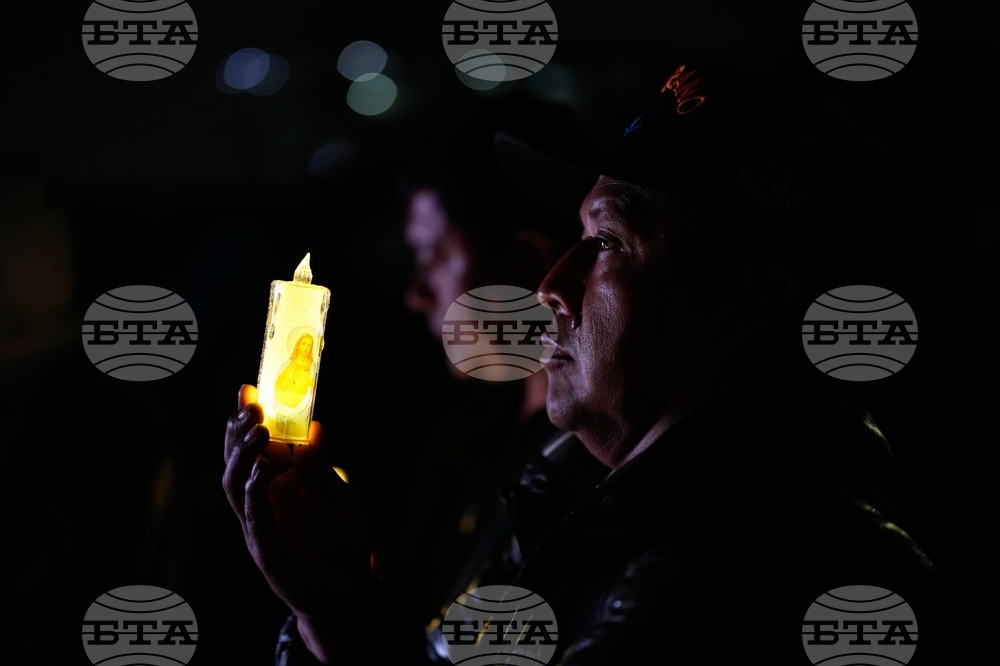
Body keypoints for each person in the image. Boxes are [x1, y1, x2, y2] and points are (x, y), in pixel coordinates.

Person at [223, 63, 942, 664]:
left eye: (606, 244)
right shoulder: (592, 510)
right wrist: (337, 611)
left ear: (748, 306)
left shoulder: (753, 567)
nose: (549, 288)